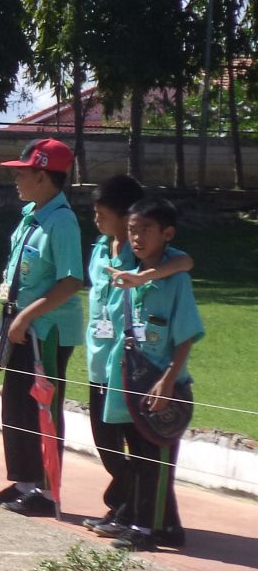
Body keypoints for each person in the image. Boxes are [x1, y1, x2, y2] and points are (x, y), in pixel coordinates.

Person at [82, 176, 193, 537]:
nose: (97, 219)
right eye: (134, 229)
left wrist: (145, 277)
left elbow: (185, 263)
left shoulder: (150, 261)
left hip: (141, 373)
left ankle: (144, 519)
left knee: (148, 449)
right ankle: (144, 515)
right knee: (109, 444)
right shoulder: (101, 248)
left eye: (103, 213)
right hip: (103, 364)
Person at [0, 137, 84, 517]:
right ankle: (25, 482)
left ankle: (46, 490)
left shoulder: (62, 221)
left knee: (43, 407)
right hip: (20, 325)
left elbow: (71, 281)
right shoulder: (32, 215)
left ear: (43, 176)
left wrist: (27, 316)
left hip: (46, 330)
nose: (17, 180)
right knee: (16, 405)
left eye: (23, 173)